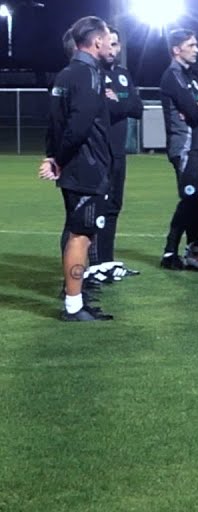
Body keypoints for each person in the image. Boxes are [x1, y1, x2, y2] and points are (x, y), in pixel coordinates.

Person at [39, 16, 115, 321]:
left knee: (80, 232)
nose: (111, 44)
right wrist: (59, 158)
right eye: (108, 38)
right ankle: (73, 306)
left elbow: (54, 121)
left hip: (76, 166)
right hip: (86, 167)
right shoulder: (89, 74)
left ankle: (77, 299)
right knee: (80, 235)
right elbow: (78, 126)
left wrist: (53, 156)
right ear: (96, 41)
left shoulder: (66, 74)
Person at [87, 27, 142, 281]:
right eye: (110, 43)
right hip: (99, 153)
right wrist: (121, 104)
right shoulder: (93, 73)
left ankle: (107, 263)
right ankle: (95, 265)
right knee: (96, 209)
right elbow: (103, 107)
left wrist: (117, 102)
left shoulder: (122, 74)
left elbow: (137, 108)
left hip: (118, 153)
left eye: (117, 44)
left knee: (113, 207)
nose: (113, 49)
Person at [158, 29, 198, 270]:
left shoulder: (190, 77)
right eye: (191, 45)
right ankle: (169, 253)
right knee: (189, 199)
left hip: (196, 147)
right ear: (176, 49)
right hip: (183, 147)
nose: (196, 49)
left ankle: (194, 252)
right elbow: (194, 112)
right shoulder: (173, 76)